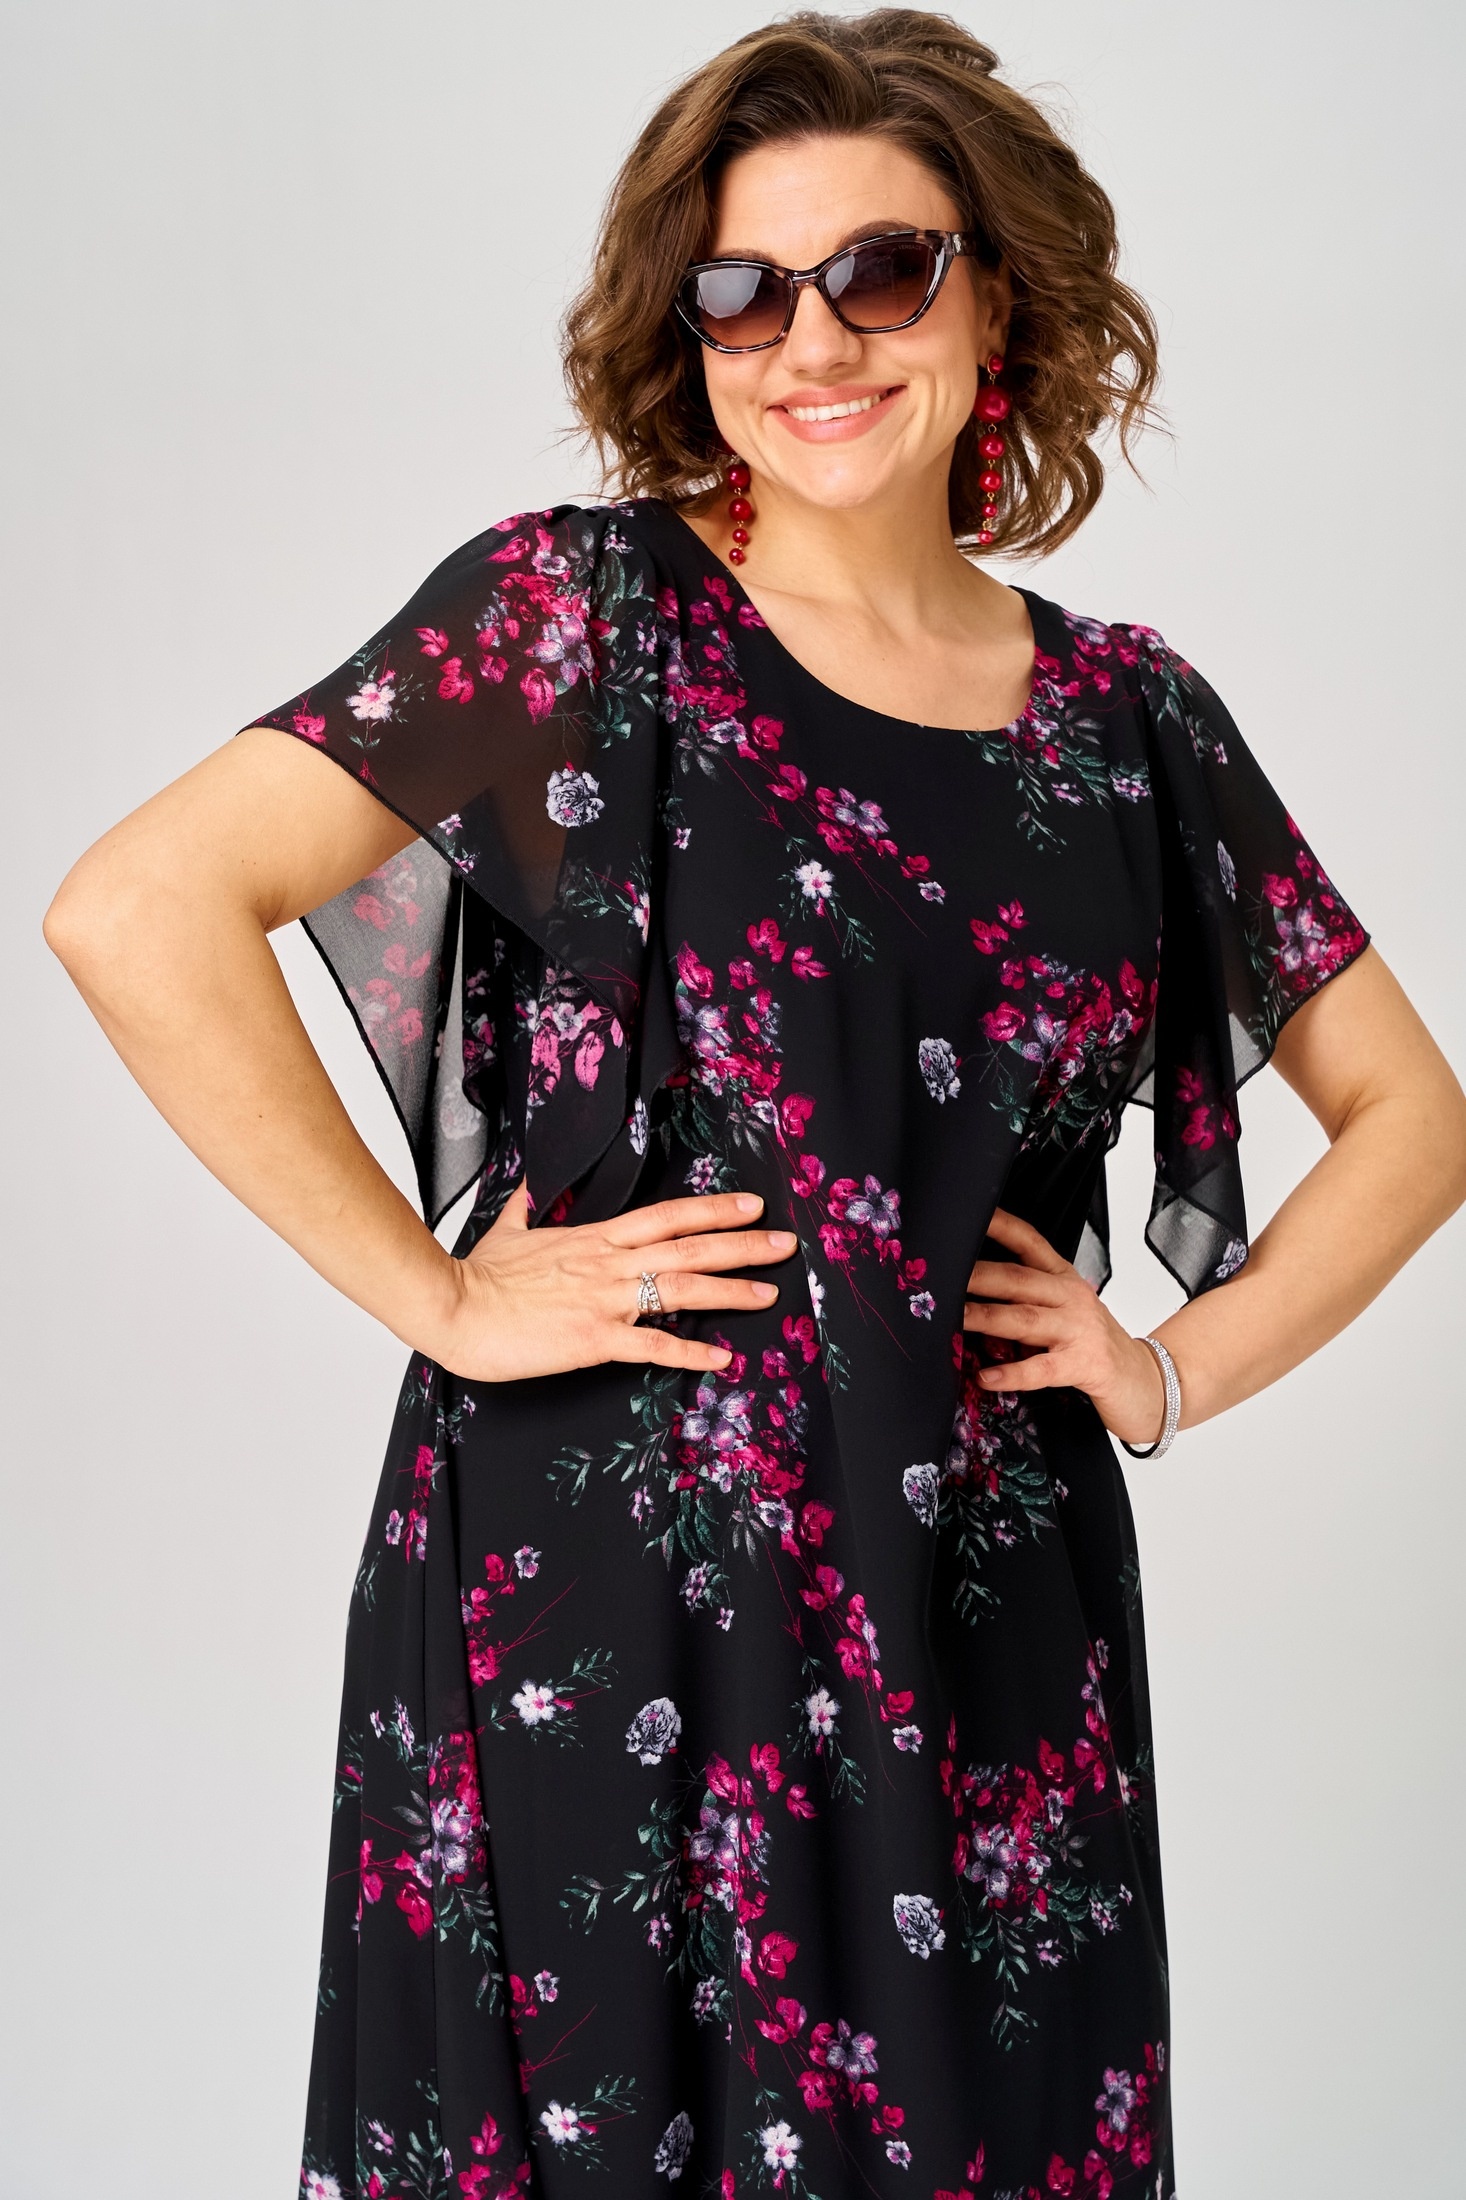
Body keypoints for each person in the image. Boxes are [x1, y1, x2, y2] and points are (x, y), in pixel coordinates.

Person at [43, 10, 1466, 2197]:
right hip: (609, 1593)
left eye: (881, 271)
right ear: (684, 334)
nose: (812, 339)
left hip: (982, 1612)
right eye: (741, 290)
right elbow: (138, 907)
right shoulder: (575, 615)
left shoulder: (1126, 721)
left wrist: (1169, 1367)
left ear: (997, 302)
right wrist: (440, 1295)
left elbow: (1412, 1117)